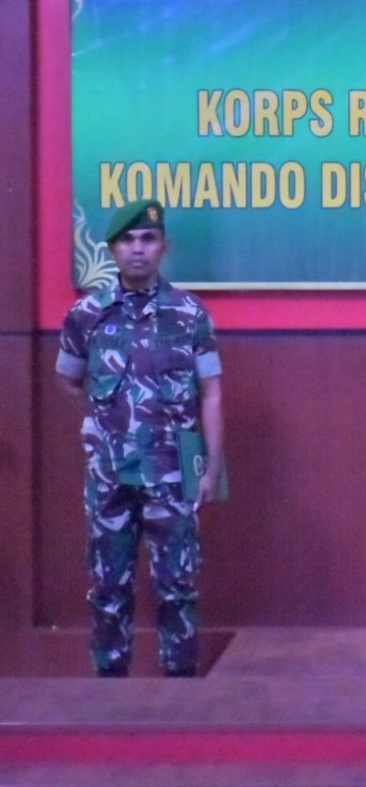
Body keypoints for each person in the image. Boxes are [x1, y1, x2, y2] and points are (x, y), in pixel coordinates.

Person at [54, 199, 224, 678]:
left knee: (178, 586)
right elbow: (66, 379)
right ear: (111, 249)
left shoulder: (189, 314)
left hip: (172, 471)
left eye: (148, 239)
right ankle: (110, 687)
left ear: (164, 247)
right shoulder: (87, 314)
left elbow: (211, 392)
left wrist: (211, 468)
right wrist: (102, 422)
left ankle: (181, 686)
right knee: (108, 588)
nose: (137, 249)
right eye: (127, 240)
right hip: (110, 475)